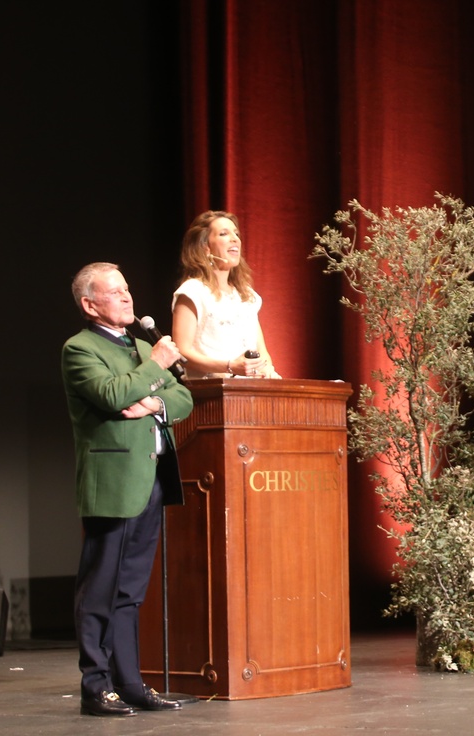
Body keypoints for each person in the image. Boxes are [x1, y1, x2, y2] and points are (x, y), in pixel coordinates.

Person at [62, 262, 194, 715]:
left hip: (152, 480)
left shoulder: (140, 346)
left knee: (131, 591)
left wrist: (152, 398)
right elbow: (111, 395)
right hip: (114, 482)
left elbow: (183, 398)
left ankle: (131, 683)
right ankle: (95, 686)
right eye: (114, 292)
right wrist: (153, 370)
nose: (126, 297)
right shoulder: (79, 349)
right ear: (89, 304)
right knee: (99, 587)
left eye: (126, 289)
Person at [171, 210, 280, 379]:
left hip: (251, 391)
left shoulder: (247, 296)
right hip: (213, 394)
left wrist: (265, 371)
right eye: (223, 234)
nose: (235, 238)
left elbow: (262, 353)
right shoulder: (193, 292)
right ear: (205, 248)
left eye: (236, 234)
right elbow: (181, 352)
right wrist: (229, 367)